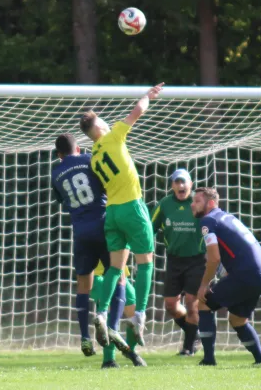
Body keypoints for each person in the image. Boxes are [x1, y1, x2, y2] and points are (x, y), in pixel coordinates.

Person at [79, 83, 164, 348]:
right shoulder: (113, 135)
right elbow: (138, 111)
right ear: (100, 127)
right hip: (132, 207)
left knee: (116, 266)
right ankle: (139, 315)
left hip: (112, 212)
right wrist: (148, 96)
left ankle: (102, 312)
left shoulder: (93, 156)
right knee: (147, 262)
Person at [51, 134, 128, 357]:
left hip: (81, 232)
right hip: (104, 225)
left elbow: (61, 199)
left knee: (83, 284)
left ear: (59, 154)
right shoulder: (90, 159)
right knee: (118, 275)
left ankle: (85, 337)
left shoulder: (56, 173)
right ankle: (112, 326)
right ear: (79, 148)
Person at [191, 187, 261, 366]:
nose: (192, 205)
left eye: (197, 201)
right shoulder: (227, 217)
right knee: (237, 319)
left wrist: (204, 285)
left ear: (210, 203)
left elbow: (214, 258)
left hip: (246, 274)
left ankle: (208, 360)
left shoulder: (208, 220)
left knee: (203, 301)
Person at [151, 168, 205, 356]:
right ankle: (195, 333)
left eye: (184, 182)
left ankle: (188, 347)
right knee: (171, 306)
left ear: (190, 184)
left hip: (197, 260)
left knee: (191, 302)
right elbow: (150, 228)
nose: (180, 185)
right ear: (172, 185)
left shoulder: (198, 202)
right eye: (177, 182)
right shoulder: (165, 204)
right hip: (174, 260)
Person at [90, 261, 145, 368]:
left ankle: (129, 350)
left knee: (135, 313)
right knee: (110, 312)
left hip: (119, 275)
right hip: (97, 275)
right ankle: (109, 359)